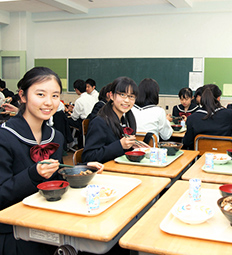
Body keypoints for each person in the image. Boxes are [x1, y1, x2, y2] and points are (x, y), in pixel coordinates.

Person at [0, 67, 104, 255]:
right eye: (40, 94)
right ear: (22, 96)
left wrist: (80, 170)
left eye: (55, 96)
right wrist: (33, 174)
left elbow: (55, 181)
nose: (49, 102)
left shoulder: (55, 137)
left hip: (48, 224)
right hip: (13, 233)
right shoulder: (5, 137)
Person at [82, 76, 148, 164]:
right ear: (111, 96)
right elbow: (88, 157)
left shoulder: (125, 120)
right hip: (105, 172)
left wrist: (132, 145)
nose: (127, 100)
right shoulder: (99, 122)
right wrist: (120, 145)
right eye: (122, 95)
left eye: (131, 96)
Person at [183, 84, 232, 149]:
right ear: (218, 98)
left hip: (201, 157)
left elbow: (187, 142)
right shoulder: (228, 114)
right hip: (223, 156)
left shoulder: (192, 118)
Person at [68, 79, 97, 148]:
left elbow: (74, 117)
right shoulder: (92, 98)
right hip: (93, 121)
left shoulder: (79, 101)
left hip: (83, 123)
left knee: (66, 120)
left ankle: (70, 142)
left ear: (77, 90)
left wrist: (70, 113)